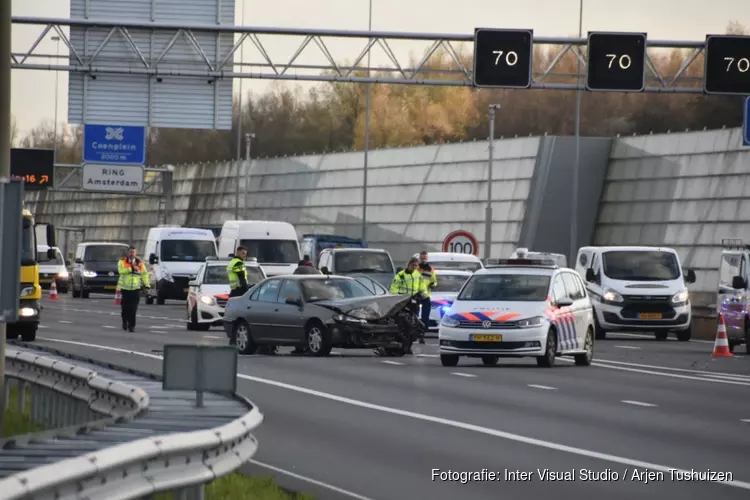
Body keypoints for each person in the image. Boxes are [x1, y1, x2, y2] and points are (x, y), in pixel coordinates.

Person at [387, 257, 425, 354]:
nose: (414, 267)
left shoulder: (418, 275)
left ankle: (409, 345)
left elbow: (422, 287)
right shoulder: (401, 275)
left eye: (416, 265)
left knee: (414, 326)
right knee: (404, 325)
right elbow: (393, 289)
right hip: (403, 303)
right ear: (409, 265)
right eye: (413, 265)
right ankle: (404, 346)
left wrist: (423, 296)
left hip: (414, 302)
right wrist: (397, 298)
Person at [117, 246, 150, 332]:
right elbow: (121, 271)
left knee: (133, 308)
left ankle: (132, 326)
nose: (132, 254)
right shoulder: (122, 262)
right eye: (131, 252)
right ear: (128, 253)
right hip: (125, 288)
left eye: (134, 252)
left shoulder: (140, 263)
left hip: (136, 289)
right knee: (125, 308)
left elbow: (145, 275)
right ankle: (124, 321)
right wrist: (131, 268)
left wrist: (147, 285)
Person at [417, 250, 437, 344]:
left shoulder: (430, 269)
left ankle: (422, 335)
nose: (423, 260)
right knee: (414, 316)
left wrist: (433, 284)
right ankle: (414, 333)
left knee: (425, 317)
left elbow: (434, 280)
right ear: (419, 258)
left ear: (427, 258)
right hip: (416, 294)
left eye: (425, 258)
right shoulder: (415, 268)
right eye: (422, 258)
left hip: (426, 295)